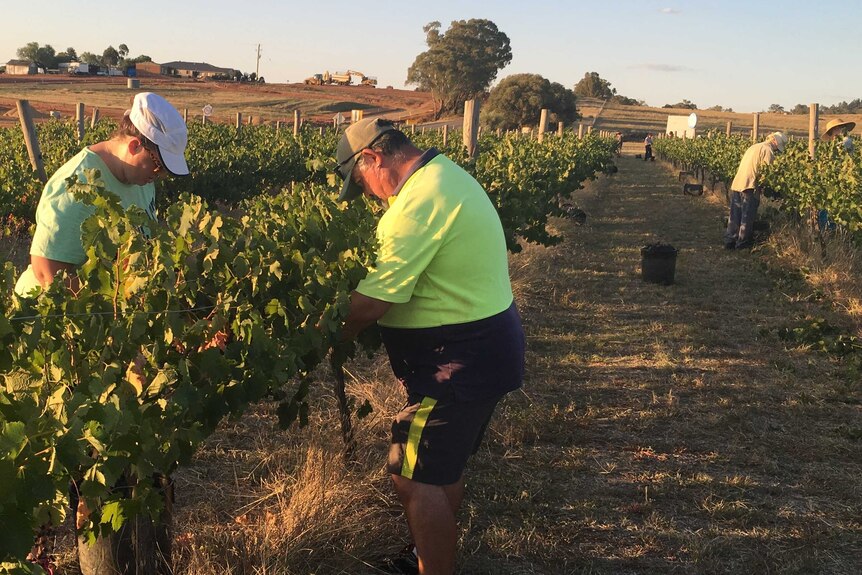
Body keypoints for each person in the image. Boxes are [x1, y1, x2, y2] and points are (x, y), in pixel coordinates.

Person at [335, 118, 525, 575]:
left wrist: (322, 336)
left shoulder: (419, 202)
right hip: (478, 354)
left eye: (360, 185)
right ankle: (427, 557)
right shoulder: (445, 177)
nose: (367, 197)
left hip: (456, 365)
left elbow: (370, 304)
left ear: (372, 159)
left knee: (411, 474)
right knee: (440, 468)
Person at [14, 92, 189, 297]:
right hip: (53, 318)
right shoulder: (77, 186)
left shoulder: (141, 178)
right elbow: (47, 273)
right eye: (158, 166)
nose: (159, 176)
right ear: (135, 146)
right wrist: (109, 314)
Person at [724, 131, 787, 250]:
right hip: (750, 185)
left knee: (735, 214)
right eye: (778, 148)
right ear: (775, 142)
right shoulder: (768, 150)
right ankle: (742, 244)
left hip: (738, 182)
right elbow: (766, 173)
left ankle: (730, 240)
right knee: (747, 216)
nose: (777, 151)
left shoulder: (754, 146)